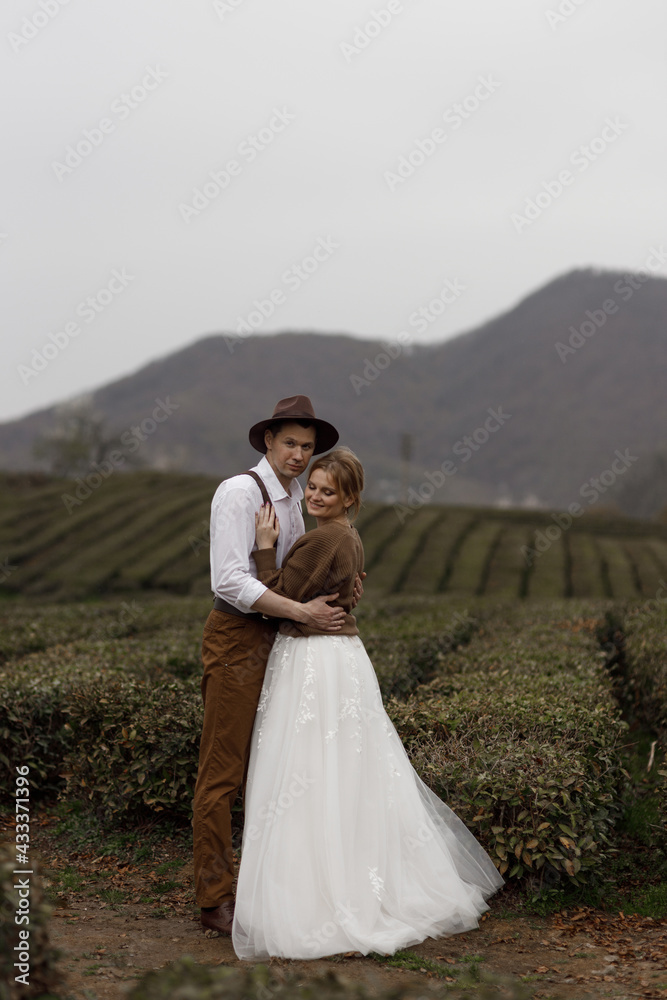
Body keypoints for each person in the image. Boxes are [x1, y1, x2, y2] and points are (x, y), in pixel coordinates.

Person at [232, 447, 504, 960]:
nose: (314, 495)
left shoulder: (322, 540)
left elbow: (274, 597)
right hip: (342, 657)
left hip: (312, 659)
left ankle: (317, 895)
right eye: (312, 486)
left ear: (349, 498)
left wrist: (265, 546)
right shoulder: (349, 537)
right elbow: (346, 592)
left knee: (306, 767)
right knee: (347, 770)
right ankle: (358, 878)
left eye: (327, 491)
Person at [193, 395, 355, 937]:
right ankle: (214, 899)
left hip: (284, 643)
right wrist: (299, 610)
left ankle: (274, 887)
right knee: (223, 772)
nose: (299, 455)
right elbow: (230, 582)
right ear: (268, 440)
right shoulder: (239, 492)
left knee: (279, 766)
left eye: (307, 448)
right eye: (290, 443)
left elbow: (302, 570)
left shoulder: (295, 499)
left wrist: (344, 586)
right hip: (239, 640)